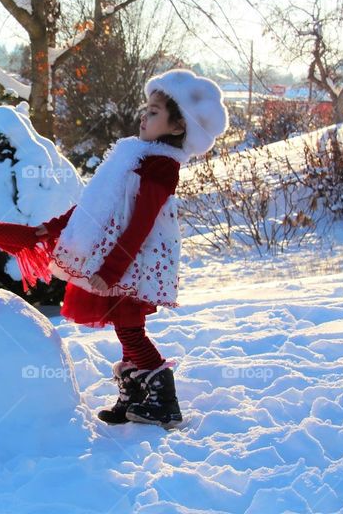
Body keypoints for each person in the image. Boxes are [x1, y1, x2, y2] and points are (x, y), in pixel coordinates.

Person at [35, 69, 228, 428]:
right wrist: (53, 227)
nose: (144, 115)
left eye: (154, 111)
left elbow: (141, 224)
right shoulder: (133, 156)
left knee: (129, 327)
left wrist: (111, 270)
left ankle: (163, 399)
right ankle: (138, 393)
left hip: (134, 260)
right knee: (126, 326)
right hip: (119, 255)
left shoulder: (161, 165)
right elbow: (96, 203)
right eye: (146, 108)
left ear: (177, 127)